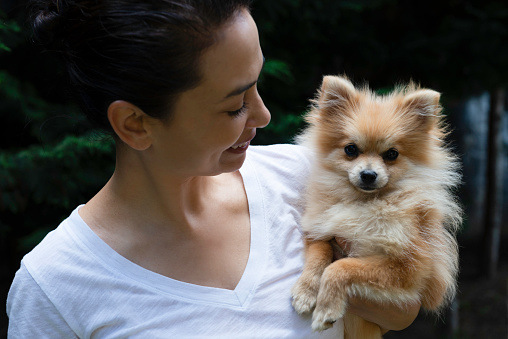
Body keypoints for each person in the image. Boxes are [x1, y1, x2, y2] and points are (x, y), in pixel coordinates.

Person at [6, 0, 420, 337]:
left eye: (258, 86)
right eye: (235, 105)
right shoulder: (56, 288)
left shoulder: (305, 179)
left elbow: (404, 308)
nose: (264, 114)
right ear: (135, 124)